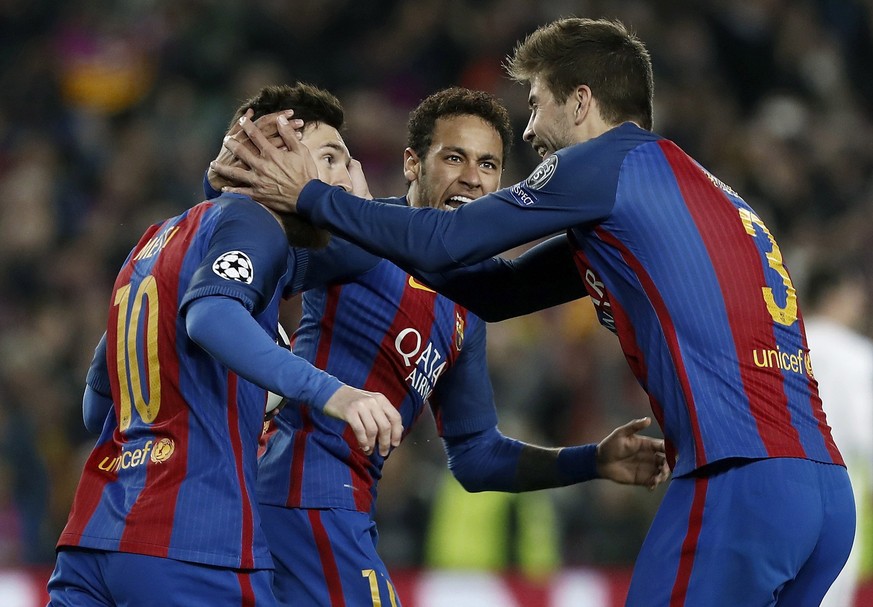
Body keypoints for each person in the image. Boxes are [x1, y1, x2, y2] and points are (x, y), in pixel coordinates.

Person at [213, 18, 856, 607]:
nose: (528, 131)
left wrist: (309, 193)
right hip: (823, 495)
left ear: (579, 102)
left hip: (741, 478)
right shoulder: (678, 192)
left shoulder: (607, 163)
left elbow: (442, 243)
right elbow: (495, 289)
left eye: (535, 104)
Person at [211, 86, 669, 607]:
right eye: (454, 157)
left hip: (345, 514)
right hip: (301, 500)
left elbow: (476, 456)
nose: (472, 177)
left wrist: (592, 460)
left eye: (489, 165)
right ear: (412, 163)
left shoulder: (468, 310)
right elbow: (254, 260)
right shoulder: (358, 235)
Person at [47, 83, 403, 607]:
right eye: (330, 158)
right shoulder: (252, 221)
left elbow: (95, 404)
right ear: (272, 154)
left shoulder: (153, 242)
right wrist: (337, 394)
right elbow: (212, 318)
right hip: (192, 546)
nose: (343, 182)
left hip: (92, 540)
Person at [804, 261, 873, 607]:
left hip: (781, 483)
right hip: (840, 495)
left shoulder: (783, 346)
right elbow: (867, 437)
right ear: (833, 296)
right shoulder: (859, 356)